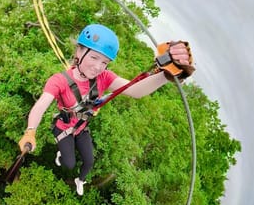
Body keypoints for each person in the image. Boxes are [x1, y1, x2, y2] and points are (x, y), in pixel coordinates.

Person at [17, 23, 194, 195]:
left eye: (104, 62)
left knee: (89, 161)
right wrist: (31, 131)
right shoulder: (59, 81)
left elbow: (135, 90)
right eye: (94, 57)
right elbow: (41, 105)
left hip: (81, 127)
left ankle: (81, 180)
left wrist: (165, 75)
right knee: (69, 164)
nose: (98, 67)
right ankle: (61, 156)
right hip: (63, 127)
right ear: (79, 51)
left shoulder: (104, 77)